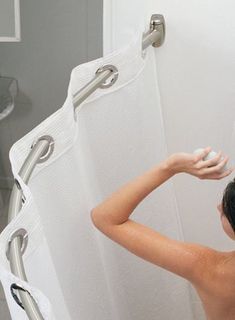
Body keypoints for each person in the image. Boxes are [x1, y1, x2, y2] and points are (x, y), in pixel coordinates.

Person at [91, 146, 235, 320]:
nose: (219, 207)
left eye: (226, 209)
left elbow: (105, 217)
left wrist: (171, 166)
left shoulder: (209, 269)